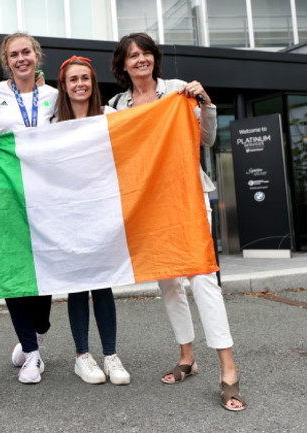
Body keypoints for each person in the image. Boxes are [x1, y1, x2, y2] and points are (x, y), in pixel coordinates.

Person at [108, 32, 246, 411]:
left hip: (188, 195)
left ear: (155, 58)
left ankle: (228, 369)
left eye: (146, 53)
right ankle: (187, 357)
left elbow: (207, 138)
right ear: (122, 64)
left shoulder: (178, 92)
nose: (140, 60)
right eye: (132, 56)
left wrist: (207, 104)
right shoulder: (115, 107)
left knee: (202, 277)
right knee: (167, 281)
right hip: (149, 204)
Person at [0, 32, 58, 384]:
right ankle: (32, 353)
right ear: (6, 61)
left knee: (47, 266)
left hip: (47, 194)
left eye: (27, 52)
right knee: (13, 268)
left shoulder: (55, 96)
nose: (21, 58)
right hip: (6, 193)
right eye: (14, 54)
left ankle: (39, 328)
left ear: (37, 56)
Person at [56, 56, 131, 386]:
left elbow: (135, 141)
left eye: (85, 78)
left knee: (103, 281)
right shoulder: (52, 123)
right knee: (77, 284)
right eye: (73, 79)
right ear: (64, 85)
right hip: (68, 211)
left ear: (93, 82)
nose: (80, 84)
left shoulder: (109, 115)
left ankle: (111, 354)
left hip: (102, 209)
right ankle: (82, 356)